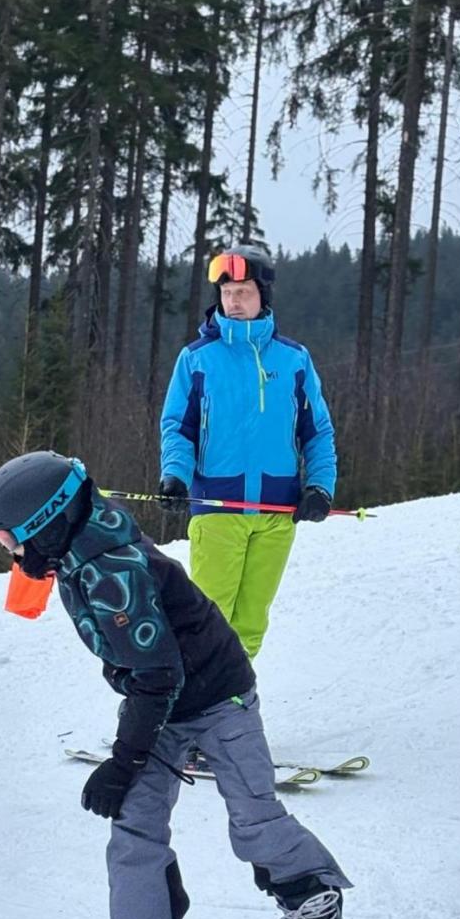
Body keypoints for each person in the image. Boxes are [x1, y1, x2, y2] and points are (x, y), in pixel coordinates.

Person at [0, 450, 366, 919]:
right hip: (160, 702)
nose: (10, 552)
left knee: (254, 817)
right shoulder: (77, 551)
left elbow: (160, 675)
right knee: (134, 826)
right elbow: (146, 673)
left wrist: (122, 761)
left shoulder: (113, 568)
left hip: (216, 698)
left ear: (47, 521)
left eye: (10, 538)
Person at [157, 245, 336, 660]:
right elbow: (177, 428)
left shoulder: (293, 360)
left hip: (277, 513)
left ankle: (236, 709)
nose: (234, 301)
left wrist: (320, 487)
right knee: (208, 621)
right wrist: (175, 476)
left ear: (263, 296)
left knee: (252, 623)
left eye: (243, 292)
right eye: (228, 292)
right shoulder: (198, 360)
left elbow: (317, 431)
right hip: (218, 508)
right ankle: (194, 716)